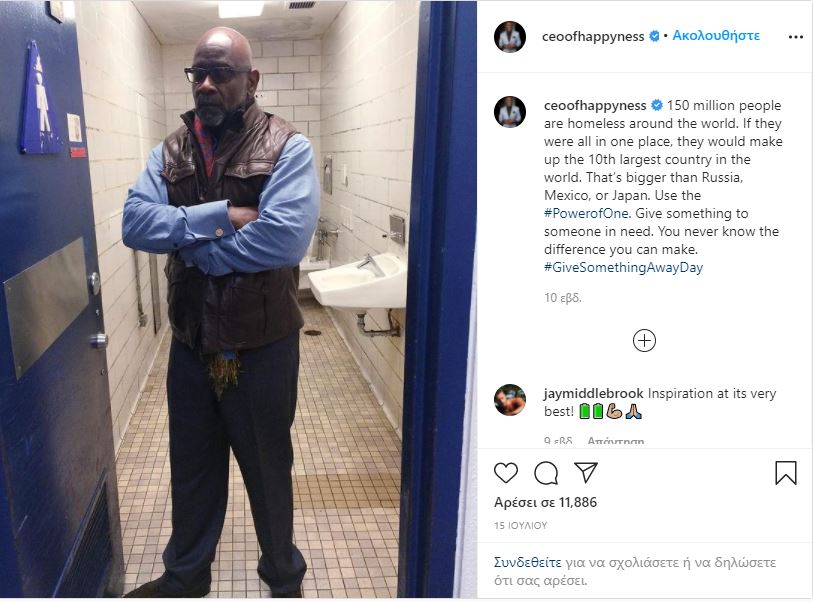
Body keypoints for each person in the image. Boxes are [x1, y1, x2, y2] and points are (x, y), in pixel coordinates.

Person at [121, 26, 319, 598]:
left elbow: (284, 238)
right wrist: (221, 217)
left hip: (262, 344)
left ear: (251, 80)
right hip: (191, 342)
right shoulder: (169, 151)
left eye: (221, 74)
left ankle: (283, 577)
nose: (205, 84)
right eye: (198, 73)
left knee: (267, 469)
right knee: (192, 467)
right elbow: (135, 223)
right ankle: (186, 577)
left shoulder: (287, 146)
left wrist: (194, 248)